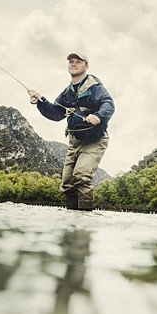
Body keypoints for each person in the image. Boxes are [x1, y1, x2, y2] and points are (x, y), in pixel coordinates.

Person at [28, 52, 115, 210]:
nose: (73, 64)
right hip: (74, 142)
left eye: (78, 62)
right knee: (67, 184)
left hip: (95, 141)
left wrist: (98, 116)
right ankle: (72, 222)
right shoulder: (67, 93)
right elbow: (55, 113)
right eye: (71, 61)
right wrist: (40, 100)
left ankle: (84, 220)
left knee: (81, 177)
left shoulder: (96, 88)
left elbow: (108, 104)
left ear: (86, 66)